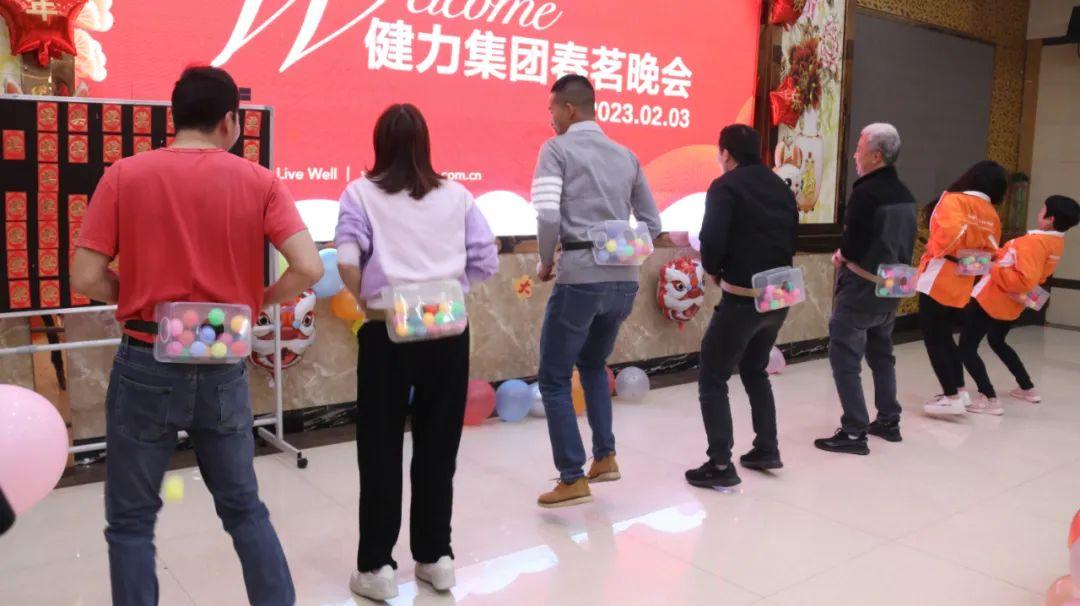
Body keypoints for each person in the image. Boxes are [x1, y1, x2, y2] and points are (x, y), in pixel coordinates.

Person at [71, 66, 321, 606]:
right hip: (222, 357)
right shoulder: (260, 181)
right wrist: (257, 300)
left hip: (146, 356)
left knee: (131, 523)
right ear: (230, 120)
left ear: (174, 117)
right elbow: (308, 266)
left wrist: (137, 291)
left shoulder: (125, 175)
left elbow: (85, 277)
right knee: (244, 509)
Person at [334, 103, 499, 600]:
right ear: (425, 144)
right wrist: (449, 290)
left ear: (379, 144)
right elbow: (486, 260)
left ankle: (377, 568)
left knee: (380, 448)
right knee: (438, 446)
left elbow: (346, 259)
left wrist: (368, 300)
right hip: (447, 329)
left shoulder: (359, 193)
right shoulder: (458, 195)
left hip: (386, 329)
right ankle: (436, 558)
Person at [532, 75, 662, 508]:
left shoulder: (556, 150)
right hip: (624, 282)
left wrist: (546, 261)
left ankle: (572, 477)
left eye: (552, 109)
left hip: (579, 278)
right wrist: (622, 251)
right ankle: (604, 457)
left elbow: (548, 214)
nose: (550, 119)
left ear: (569, 109)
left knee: (554, 377)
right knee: (592, 363)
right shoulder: (627, 155)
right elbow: (653, 223)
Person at [684, 124, 798, 489]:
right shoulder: (780, 186)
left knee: (713, 376)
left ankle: (720, 463)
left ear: (726, 153)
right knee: (754, 368)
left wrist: (713, 270)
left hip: (742, 297)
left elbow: (712, 239)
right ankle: (767, 447)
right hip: (779, 295)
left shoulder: (725, 187)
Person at [814, 123, 916, 455]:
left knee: (845, 356)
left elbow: (853, 245)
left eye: (859, 149)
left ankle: (854, 431)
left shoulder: (866, 193)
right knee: (882, 355)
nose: (854, 155)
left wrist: (841, 256)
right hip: (891, 288)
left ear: (876, 156)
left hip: (860, 287)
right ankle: (888, 420)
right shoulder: (905, 194)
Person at [959, 195, 1079, 414]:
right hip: (1012, 303)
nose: (1039, 211)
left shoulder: (1033, 243)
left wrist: (992, 266)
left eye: (1043, 209)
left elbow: (1023, 280)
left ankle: (989, 398)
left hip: (991, 298)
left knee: (967, 348)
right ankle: (1027, 388)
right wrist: (993, 256)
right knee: (997, 341)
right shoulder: (1055, 242)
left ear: (1050, 218)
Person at [916, 160, 1006, 415]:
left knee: (935, 338)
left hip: (937, 278)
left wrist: (935, 249)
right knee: (946, 336)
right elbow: (988, 255)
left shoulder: (952, 200)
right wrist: (963, 258)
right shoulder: (991, 214)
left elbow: (947, 239)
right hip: (963, 281)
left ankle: (951, 396)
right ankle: (959, 390)